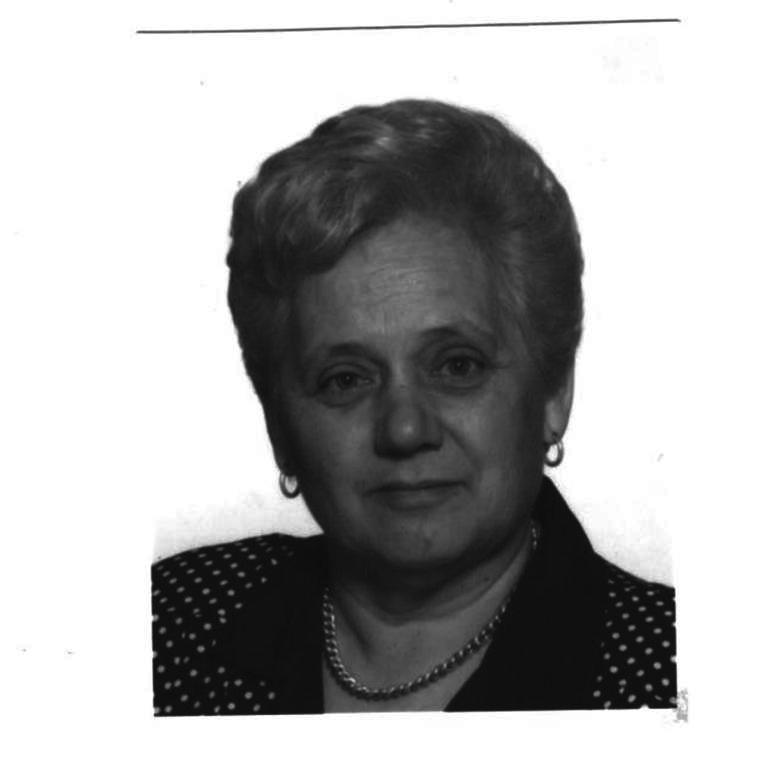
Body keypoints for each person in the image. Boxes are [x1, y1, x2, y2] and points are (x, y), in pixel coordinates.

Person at [151, 99, 677, 715]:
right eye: (345, 379)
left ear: (553, 392)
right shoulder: (168, 618)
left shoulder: (675, 669)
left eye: (457, 366)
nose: (404, 429)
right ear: (279, 426)